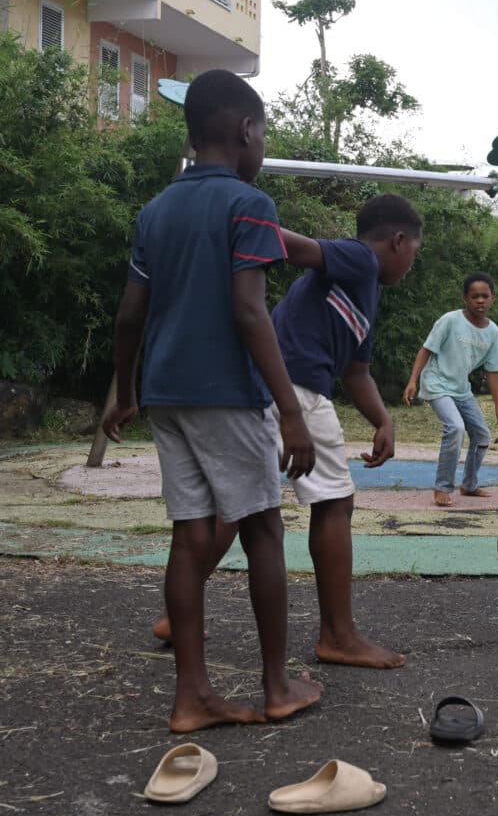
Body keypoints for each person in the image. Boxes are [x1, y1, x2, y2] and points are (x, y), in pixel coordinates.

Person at [103, 69, 323, 732]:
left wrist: (126, 390)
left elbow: (129, 315)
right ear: (246, 130)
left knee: (190, 534)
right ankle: (278, 686)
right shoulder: (249, 204)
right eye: (264, 134)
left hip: (166, 394)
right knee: (263, 530)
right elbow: (250, 312)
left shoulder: (156, 211)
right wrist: (290, 411)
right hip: (227, 393)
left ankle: (192, 696)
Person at [153, 193, 424, 670]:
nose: (410, 265)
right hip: (296, 389)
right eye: (414, 253)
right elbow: (295, 247)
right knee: (335, 503)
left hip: (262, 385)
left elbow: (356, 372)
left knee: (237, 507)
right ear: (399, 241)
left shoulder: (365, 291)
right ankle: (338, 636)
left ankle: (178, 616)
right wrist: (239, 231)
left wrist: (383, 419)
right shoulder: (360, 259)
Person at [402, 273, 498, 508]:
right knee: (455, 427)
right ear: (465, 299)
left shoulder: (493, 332)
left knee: (482, 435)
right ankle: (442, 487)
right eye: (474, 296)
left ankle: (469, 485)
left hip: (461, 389)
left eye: (485, 296)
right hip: (436, 383)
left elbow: (493, 371)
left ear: (492, 298)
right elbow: (426, 350)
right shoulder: (450, 320)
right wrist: (412, 381)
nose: (480, 301)